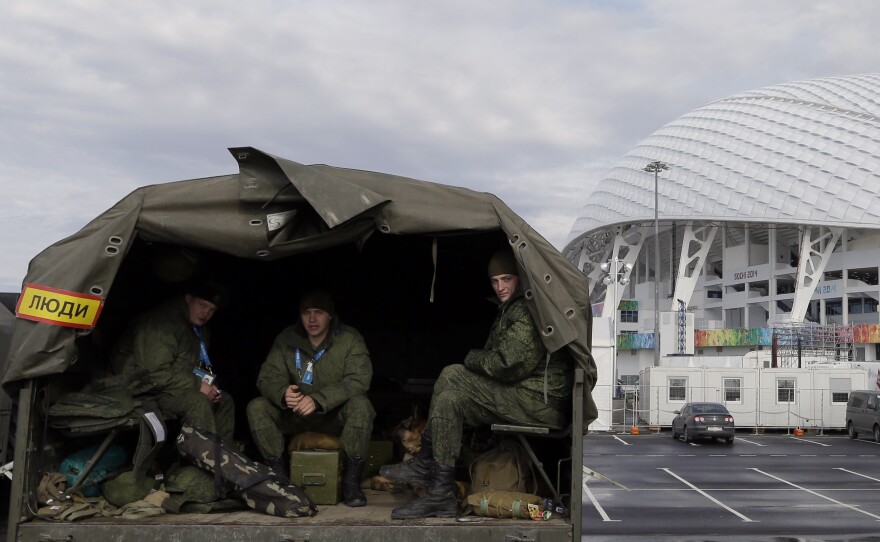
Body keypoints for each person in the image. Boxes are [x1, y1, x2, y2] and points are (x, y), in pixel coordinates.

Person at [381, 248, 573, 520]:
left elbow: (509, 365)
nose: (500, 287)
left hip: (538, 401)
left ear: (519, 278)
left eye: (506, 279)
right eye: (495, 281)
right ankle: (440, 495)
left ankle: (425, 463)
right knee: (450, 400)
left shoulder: (526, 310)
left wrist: (471, 357)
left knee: (452, 373)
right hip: (523, 395)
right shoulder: (510, 309)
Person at [247, 290, 375, 507]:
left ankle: (351, 483)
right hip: (295, 415)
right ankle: (281, 479)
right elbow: (267, 377)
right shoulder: (287, 339)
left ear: (330, 316)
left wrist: (318, 400)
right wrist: (282, 393)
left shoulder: (349, 338)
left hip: (334, 416)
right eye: (307, 313)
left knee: (361, 405)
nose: (312, 319)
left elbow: (359, 380)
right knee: (257, 407)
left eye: (319, 312)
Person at [110, 279, 235, 442]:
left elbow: (192, 365)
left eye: (212, 310)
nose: (206, 313)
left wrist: (209, 384)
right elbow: (154, 374)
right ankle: (203, 461)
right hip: (142, 389)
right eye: (203, 305)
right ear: (188, 299)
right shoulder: (162, 322)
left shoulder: (198, 329)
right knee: (197, 401)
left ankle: (226, 459)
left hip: (171, 386)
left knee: (224, 400)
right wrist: (199, 385)